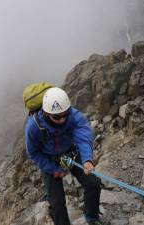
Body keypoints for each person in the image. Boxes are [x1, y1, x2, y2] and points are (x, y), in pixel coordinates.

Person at [25, 87, 103, 225]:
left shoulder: (74, 116)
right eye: (57, 117)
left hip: (71, 153)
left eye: (65, 114)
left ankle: (92, 218)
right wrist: (53, 169)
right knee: (57, 202)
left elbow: (83, 137)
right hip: (49, 160)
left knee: (93, 184)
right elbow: (34, 153)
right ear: (47, 113)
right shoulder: (34, 127)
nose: (62, 119)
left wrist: (87, 160)